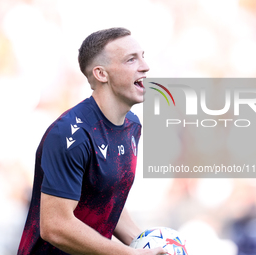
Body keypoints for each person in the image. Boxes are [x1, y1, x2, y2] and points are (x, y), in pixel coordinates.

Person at [17, 27, 166, 255]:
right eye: (131, 60)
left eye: (142, 57)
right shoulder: (70, 134)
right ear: (101, 74)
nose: (145, 66)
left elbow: (106, 201)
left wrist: (150, 244)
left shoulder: (132, 126)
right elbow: (56, 227)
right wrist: (130, 254)